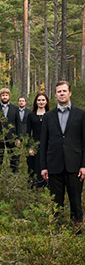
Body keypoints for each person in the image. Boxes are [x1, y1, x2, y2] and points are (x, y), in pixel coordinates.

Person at [41, 81, 85, 228]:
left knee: (75, 200)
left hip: (75, 164)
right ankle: (56, 230)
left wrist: (83, 165)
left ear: (69, 93)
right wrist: (43, 167)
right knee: (56, 201)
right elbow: (44, 143)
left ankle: (77, 228)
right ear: (55, 94)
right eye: (59, 91)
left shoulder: (81, 114)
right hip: (54, 165)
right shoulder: (48, 116)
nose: (62, 94)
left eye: (64, 91)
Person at [0, 88, 19, 172]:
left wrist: (18, 138)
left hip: (12, 136)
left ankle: (14, 174)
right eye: (3, 95)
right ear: (0, 96)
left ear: (9, 96)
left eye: (6, 95)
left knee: (14, 156)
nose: (5, 97)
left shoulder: (15, 108)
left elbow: (18, 124)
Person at [27, 93, 49, 188]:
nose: (41, 102)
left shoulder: (50, 114)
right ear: (36, 102)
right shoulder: (31, 115)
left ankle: (47, 187)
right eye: (39, 100)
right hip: (35, 144)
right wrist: (29, 147)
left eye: (43, 100)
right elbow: (28, 133)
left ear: (46, 102)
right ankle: (35, 187)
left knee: (46, 165)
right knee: (34, 166)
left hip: (48, 144)